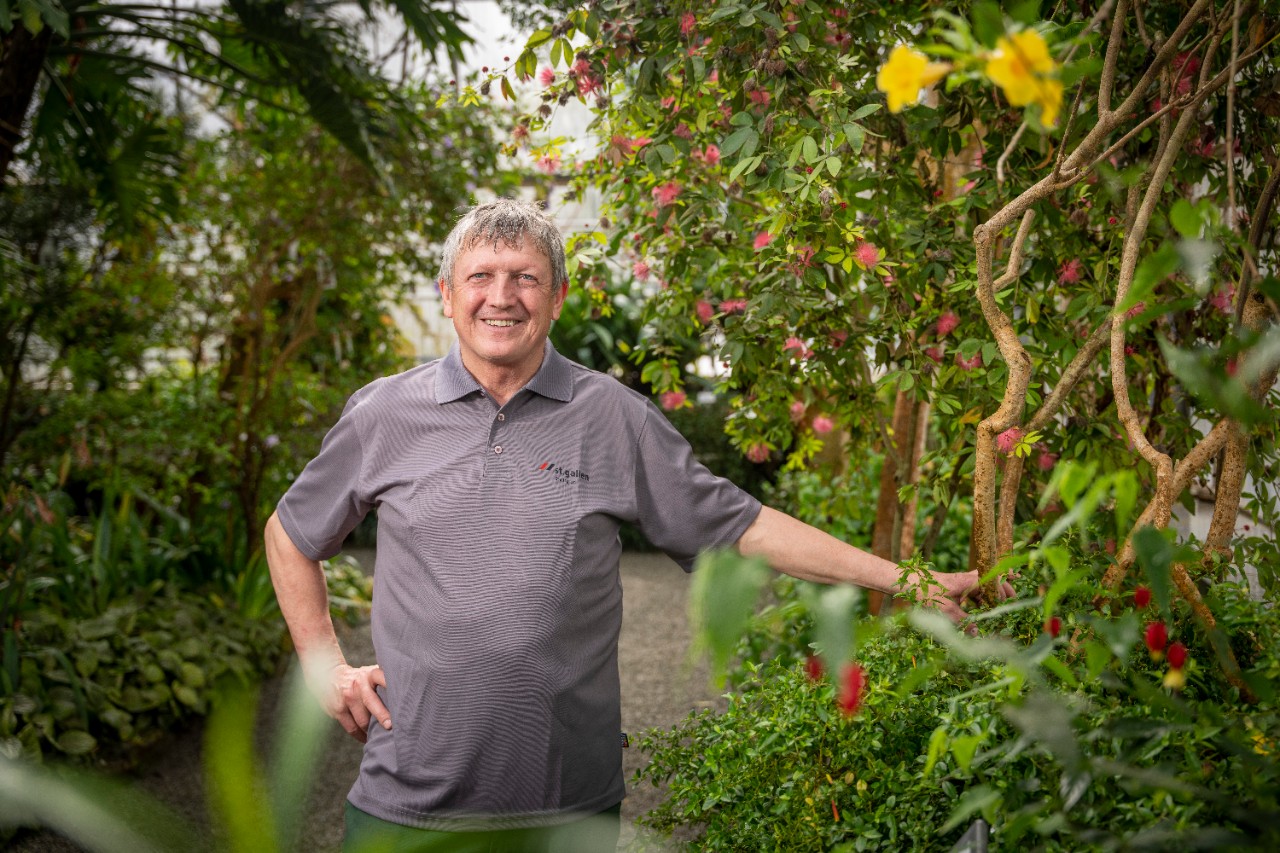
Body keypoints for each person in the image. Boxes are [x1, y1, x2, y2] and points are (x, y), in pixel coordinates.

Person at [265, 198, 1009, 852]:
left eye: (525, 277)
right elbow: (291, 534)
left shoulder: (611, 418)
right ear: (448, 294)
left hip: (568, 807)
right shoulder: (384, 414)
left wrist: (903, 578)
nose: (502, 297)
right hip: (407, 803)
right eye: (481, 276)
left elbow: (739, 526)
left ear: (557, 297)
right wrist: (322, 662)